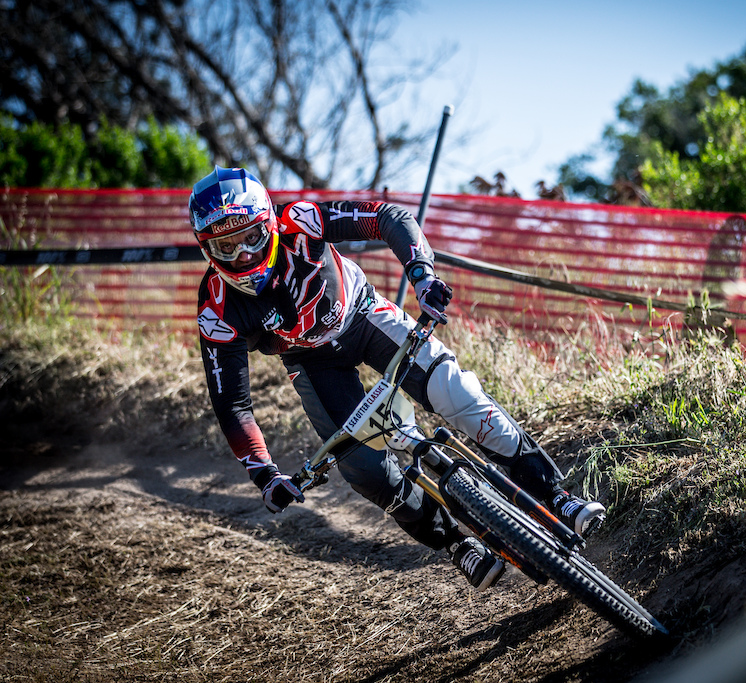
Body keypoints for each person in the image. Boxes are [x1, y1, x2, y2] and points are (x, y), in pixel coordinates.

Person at [189, 166, 605, 590]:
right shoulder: (215, 308)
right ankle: (456, 545)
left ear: (270, 224)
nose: (243, 256)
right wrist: (265, 474)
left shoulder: (300, 220)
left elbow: (388, 216)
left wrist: (421, 274)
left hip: (363, 316)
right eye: (226, 246)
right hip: (311, 363)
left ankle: (556, 497)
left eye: (252, 238)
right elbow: (232, 403)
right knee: (366, 471)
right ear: (207, 249)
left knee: (454, 391)